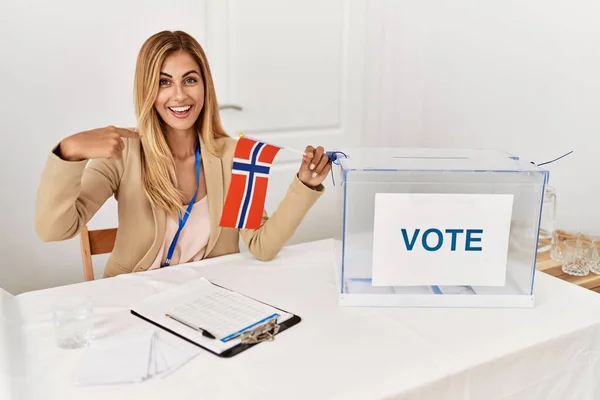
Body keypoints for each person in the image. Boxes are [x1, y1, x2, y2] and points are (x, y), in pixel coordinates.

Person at [35, 30, 331, 278]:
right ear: (147, 89)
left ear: (205, 87)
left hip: (210, 301)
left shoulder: (233, 156)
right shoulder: (124, 152)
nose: (179, 95)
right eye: (164, 82)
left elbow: (261, 245)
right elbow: (55, 230)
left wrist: (305, 184)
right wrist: (70, 151)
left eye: (190, 80)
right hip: (134, 304)